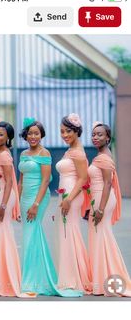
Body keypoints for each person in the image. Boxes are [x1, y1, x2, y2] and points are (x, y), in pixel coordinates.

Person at [18, 119, 82, 297]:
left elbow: (46, 181)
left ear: (41, 135)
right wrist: (17, 201)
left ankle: (33, 279)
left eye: (36, 133)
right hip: (24, 198)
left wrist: (36, 204)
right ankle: (31, 275)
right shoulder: (23, 153)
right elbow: (21, 180)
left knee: (32, 232)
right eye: (30, 133)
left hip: (38, 197)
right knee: (29, 234)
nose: (33, 136)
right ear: (26, 135)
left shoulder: (44, 153)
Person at [0, 119, 34, 297]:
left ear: (8, 137)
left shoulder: (4, 155)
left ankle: (4, 278)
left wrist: (3, 205)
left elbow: (10, 181)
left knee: (1, 233)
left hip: (3, 197)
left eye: (0, 134)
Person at [88, 122, 131, 296]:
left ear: (108, 137)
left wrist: (100, 209)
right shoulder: (101, 155)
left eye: (100, 135)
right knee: (99, 238)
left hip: (102, 200)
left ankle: (111, 278)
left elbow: (107, 183)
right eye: (93, 134)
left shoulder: (104, 157)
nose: (95, 137)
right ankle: (101, 280)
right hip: (98, 198)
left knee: (102, 237)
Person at [55, 113, 92, 293]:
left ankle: (75, 277)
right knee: (67, 233)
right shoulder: (70, 150)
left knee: (70, 232)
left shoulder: (77, 152)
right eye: (62, 131)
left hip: (72, 196)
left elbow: (83, 178)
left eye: (68, 131)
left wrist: (69, 199)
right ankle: (70, 274)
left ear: (77, 131)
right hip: (66, 194)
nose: (64, 134)